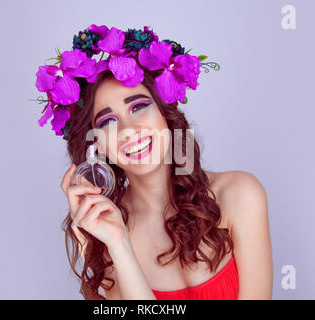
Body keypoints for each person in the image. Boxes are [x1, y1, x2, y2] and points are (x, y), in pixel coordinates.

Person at [36, 25, 273, 300]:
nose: (129, 129)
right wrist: (119, 243)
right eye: (108, 121)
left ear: (165, 114)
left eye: (138, 106)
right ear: (96, 145)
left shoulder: (239, 193)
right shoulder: (100, 230)